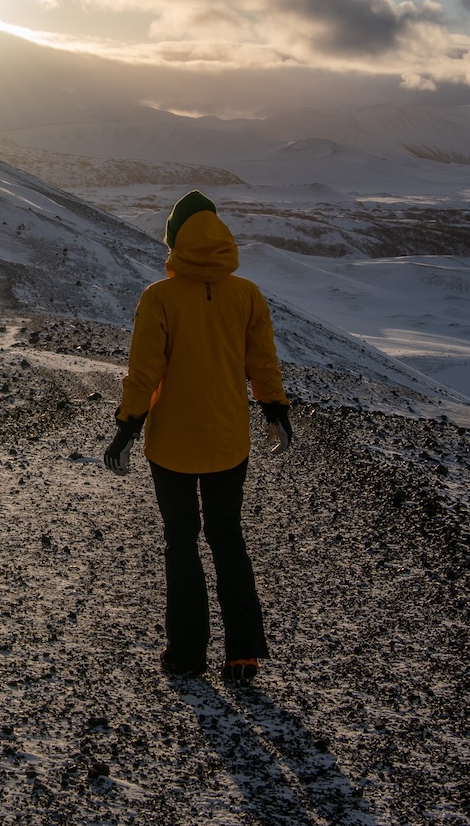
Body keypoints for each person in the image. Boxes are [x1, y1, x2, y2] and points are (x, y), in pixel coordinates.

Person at [104, 190, 293, 682]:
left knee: (181, 543)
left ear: (175, 241)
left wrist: (126, 428)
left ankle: (187, 654)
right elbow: (262, 364)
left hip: (171, 447)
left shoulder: (159, 297)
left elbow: (143, 374)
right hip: (229, 441)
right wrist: (275, 409)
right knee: (228, 539)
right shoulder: (246, 294)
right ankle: (244, 652)